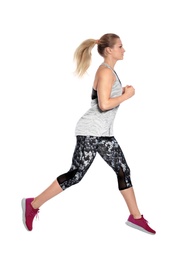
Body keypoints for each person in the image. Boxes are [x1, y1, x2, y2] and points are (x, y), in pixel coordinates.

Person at [21, 33, 156, 235]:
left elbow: (106, 100)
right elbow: (103, 105)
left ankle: (136, 218)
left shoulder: (109, 71)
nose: (124, 49)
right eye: (120, 46)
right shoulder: (105, 72)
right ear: (109, 50)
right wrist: (127, 96)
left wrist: (121, 93)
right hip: (91, 133)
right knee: (75, 175)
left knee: (122, 171)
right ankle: (33, 204)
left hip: (103, 134)